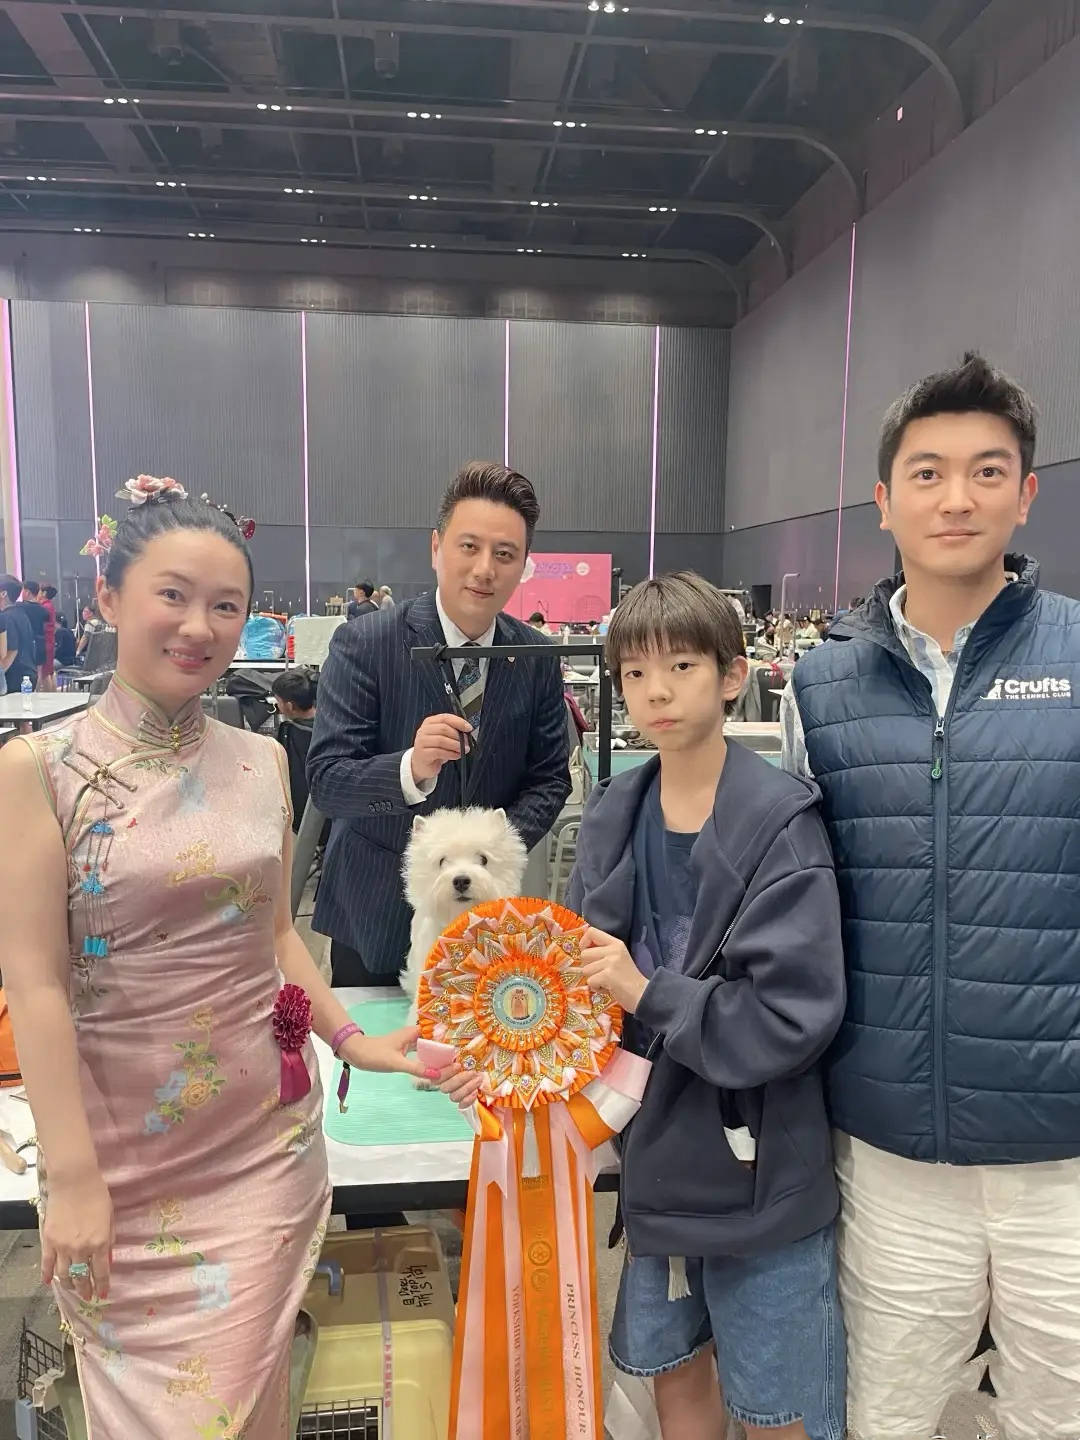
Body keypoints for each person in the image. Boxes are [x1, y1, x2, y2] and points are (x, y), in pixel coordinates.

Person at [0, 480, 474, 1439]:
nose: (199, 627)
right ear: (109, 599)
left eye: (226, 605)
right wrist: (76, 1176)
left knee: (253, 1400)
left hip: (263, 1148)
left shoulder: (263, 761)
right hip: (117, 1160)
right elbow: (36, 982)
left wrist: (352, 1038)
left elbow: (274, 934)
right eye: (172, 595)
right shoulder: (37, 771)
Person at [780, 352, 1080, 1440]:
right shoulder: (820, 684)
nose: (957, 498)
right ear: (885, 499)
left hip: (1063, 1150)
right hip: (892, 1144)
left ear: (1026, 493)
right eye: (929, 473)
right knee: (887, 1413)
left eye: (987, 471)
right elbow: (796, 901)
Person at [567, 572, 846, 1440]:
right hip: (655, 1160)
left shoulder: (781, 824)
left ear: (732, 676)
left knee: (776, 1404)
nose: (655, 691)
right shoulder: (615, 811)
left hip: (759, 1175)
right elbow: (572, 978)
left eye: (681, 666)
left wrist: (645, 991)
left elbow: (792, 1017)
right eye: (634, 673)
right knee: (673, 1370)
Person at [309, 460, 572, 986]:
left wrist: (487, 854)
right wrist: (409, 769)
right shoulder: (366, 642)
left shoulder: (537, 655)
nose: (484, 569)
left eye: (505, 554)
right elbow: (328, 779)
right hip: (374, 916)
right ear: (436, 548)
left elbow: (550, 779)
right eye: (468, 546)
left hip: (487, 928)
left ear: (523, 565)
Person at [271, 667, 319, 833]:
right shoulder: (329, 725)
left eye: (278, 701)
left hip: (300, 812)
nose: (277, 705)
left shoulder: (289, 732)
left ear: (290, 706)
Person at [0, 575, 37, 693]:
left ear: (3, 594)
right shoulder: (20, 613)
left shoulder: (6, 618)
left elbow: (12, 650)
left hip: (14, 678)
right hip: (27, 673)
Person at [18, 579, 48, 678]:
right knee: (38, 673)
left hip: (25, 644)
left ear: (27, 592)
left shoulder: (19, 607)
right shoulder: (43, 610)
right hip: (40, 643)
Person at [39, 583, 58, 689]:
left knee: (44, 674)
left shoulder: (44, 607)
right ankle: (53, 694)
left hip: (46, 642)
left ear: (44, 593)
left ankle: (49, 695)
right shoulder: (49, 605)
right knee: (50, 672)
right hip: (50, 641)